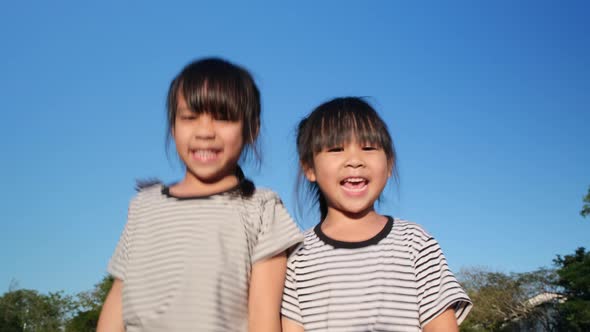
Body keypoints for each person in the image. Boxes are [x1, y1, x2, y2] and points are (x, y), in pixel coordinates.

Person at [97, 57, 303, 331]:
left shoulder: (262, 208)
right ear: (173, 127)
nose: (205, 132)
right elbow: (118, 303)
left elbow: (263, 316)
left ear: (252, 130)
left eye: (223, 117)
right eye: (190, 117)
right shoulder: (143, 205)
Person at [281, 97, 472, 332]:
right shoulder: (296, 257)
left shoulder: (415, 242)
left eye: (368, 147)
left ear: (389, 164)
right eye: (336, 149)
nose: (354, 161)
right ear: (309, 168)